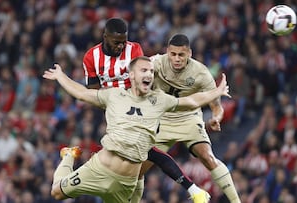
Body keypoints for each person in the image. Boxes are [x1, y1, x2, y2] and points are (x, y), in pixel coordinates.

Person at [43, 56, 231, 203]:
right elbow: (83, 93)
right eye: (143, 70)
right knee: (57, 192)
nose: (149, 74)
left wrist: (216, 92)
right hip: (99, 170)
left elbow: (190, 101)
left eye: (151, 71)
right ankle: (68, 155)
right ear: (131, 75)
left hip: (126, 183)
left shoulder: (159, 100)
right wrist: (60, 76)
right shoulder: (114, 95)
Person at [83, 17, 210, 202]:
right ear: (105, 37)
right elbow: (93, 91)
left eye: (123, 42)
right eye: (116, 42)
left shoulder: (134, 49)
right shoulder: (91, 57)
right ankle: (192, 190)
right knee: (135, 161)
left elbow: (143, 77)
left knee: (145, 152)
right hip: (115, 111)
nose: (120, 46)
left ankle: (193, 189)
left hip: (139, 105)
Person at [133, 34, 241, 203]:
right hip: (162, 120)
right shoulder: (155, 64)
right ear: (167, 52)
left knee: (207, 157)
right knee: (137, 170)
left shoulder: (201, 73)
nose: (176, 59)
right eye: (173, 54)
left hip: (189, 118)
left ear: (189, 53)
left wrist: (216, 118)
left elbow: (216, 106)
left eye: (181, 55)